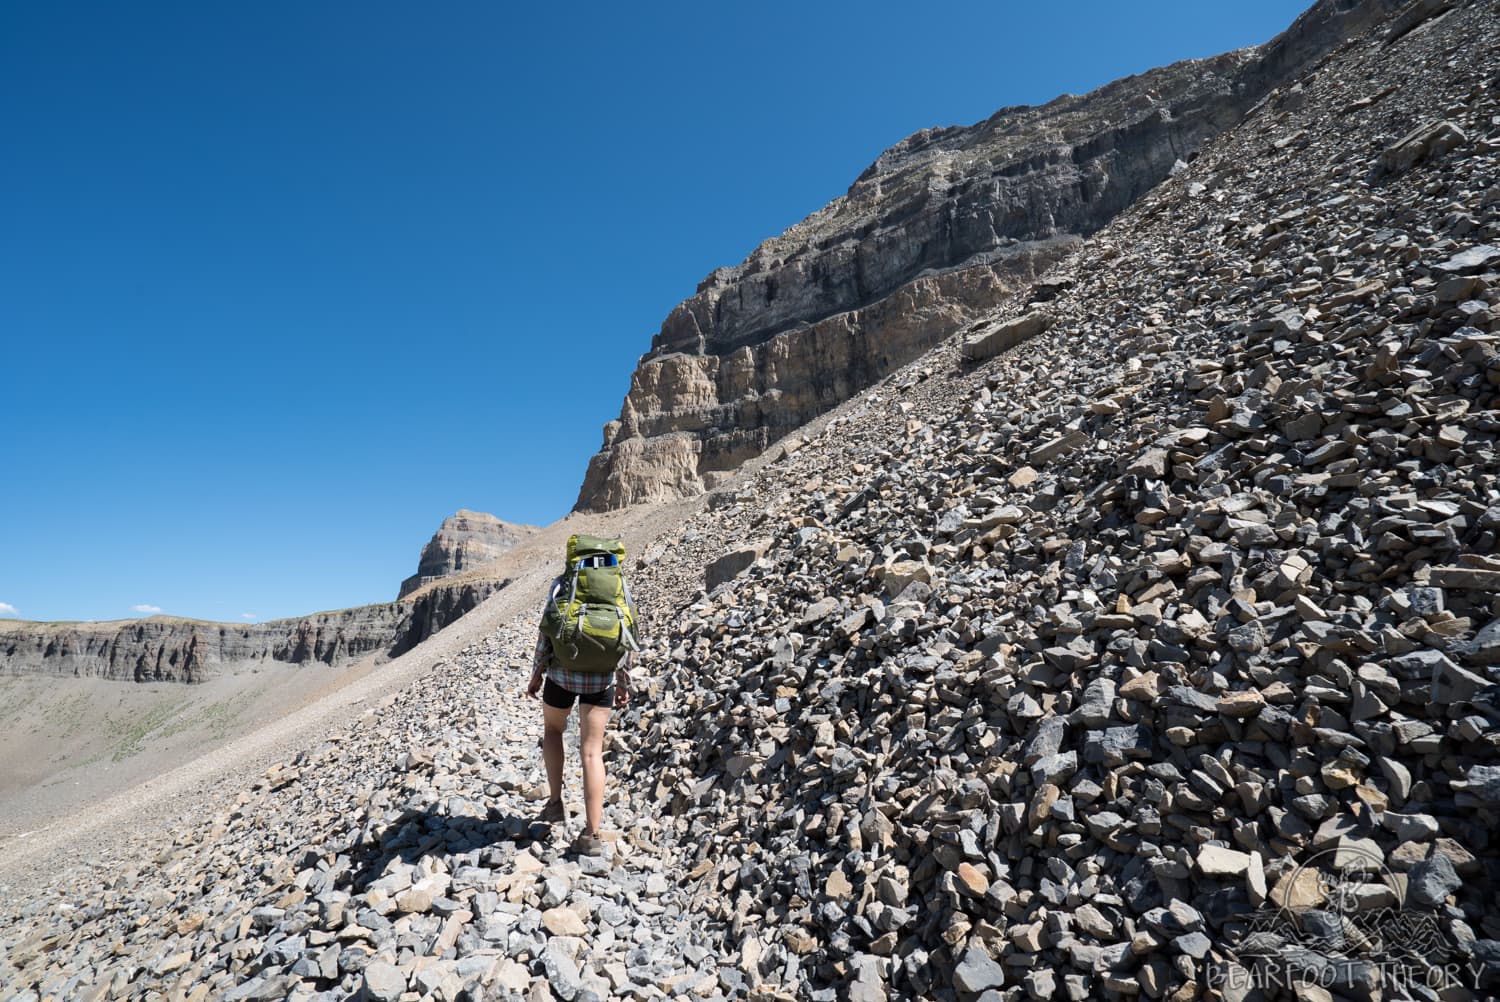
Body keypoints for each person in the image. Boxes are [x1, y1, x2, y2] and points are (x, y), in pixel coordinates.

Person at [526, 581, 632, 856]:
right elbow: (625, 639)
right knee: (592, 753)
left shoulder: (562, 585)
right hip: (601, 681)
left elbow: (546, 631)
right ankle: (592, 834)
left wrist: (537, 673)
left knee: (552, 730)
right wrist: (622, 682)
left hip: (561, 676)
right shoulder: (617, 588)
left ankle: (554, 803)